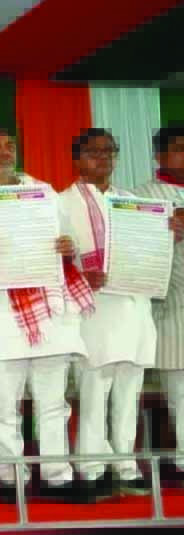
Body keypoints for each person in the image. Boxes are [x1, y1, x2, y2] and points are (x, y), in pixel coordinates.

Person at [0, 122, 91, 503]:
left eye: (9, 146)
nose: (4, 153)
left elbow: (69, 243)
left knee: (53, 403)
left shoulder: (44, 193)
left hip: (49, 311)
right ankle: (11, 478)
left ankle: (57, 477)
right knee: (5, 406)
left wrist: (68, 247)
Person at [61, 128, 157, 501]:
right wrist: (80, 274)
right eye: (93, 152)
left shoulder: (132, 202)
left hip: (134, 306)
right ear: (76, 158)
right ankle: (92, 468)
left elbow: (151, 250)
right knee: (94, 390)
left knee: (129, 391)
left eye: (109, 151)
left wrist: (168, 234)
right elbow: (53, 261)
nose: (102, 158)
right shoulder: (61, 203)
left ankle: (126, 465)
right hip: (93, 310)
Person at [132, 125, 184, 487]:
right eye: (179, 148)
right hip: (172, 308)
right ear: (159, 155)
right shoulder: (141, 197)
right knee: (181, 394)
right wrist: (165, 233)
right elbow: (133, 253)